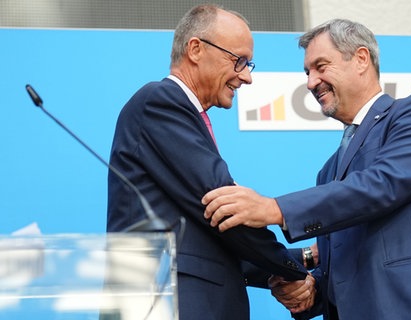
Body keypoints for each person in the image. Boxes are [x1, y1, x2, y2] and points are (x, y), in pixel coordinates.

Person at [202, 18, 411, 320]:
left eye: (321, 66)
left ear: (360, 59)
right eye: (307, 72)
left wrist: (276, 209)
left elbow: (383, 184)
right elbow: (341, 264)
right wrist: (311, 288)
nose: (311, 82)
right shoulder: (329, 171)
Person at [106, 4, 314, 320]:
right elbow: (222, 206)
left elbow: (209, 236)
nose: (246, 77)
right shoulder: (161, 103)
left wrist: (303, 260)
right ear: (196, 49)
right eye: (239, 61)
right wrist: (293, 271)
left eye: (249, 64)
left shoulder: (179, 113)